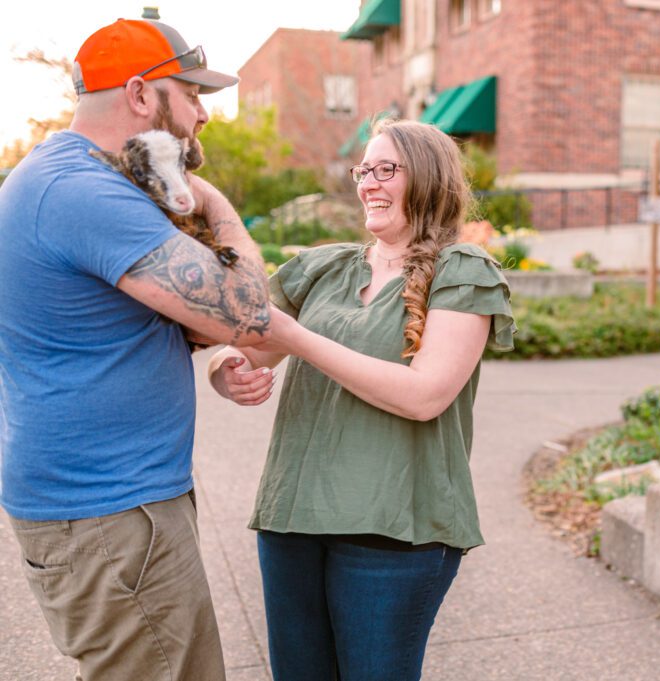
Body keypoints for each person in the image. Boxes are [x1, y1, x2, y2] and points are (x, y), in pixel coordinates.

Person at [0, 19, 270, 681]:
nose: (205, 113)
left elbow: (177, 321)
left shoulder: (77, 180)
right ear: (143, 94)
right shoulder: (84, 193)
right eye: (194, 94)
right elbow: (247, 311)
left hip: (111, 507)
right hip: (111, 514)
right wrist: (216, 205)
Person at [207, 119, 515, 681]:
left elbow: (425, 396)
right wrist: (225, 369)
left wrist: (297, 339)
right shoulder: (322, 267)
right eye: (363, 170)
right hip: (292, 517)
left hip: (394, 529)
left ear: (427, 178)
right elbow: (249, 344)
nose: (368, 183)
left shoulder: (463, 271)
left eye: (386, 170)